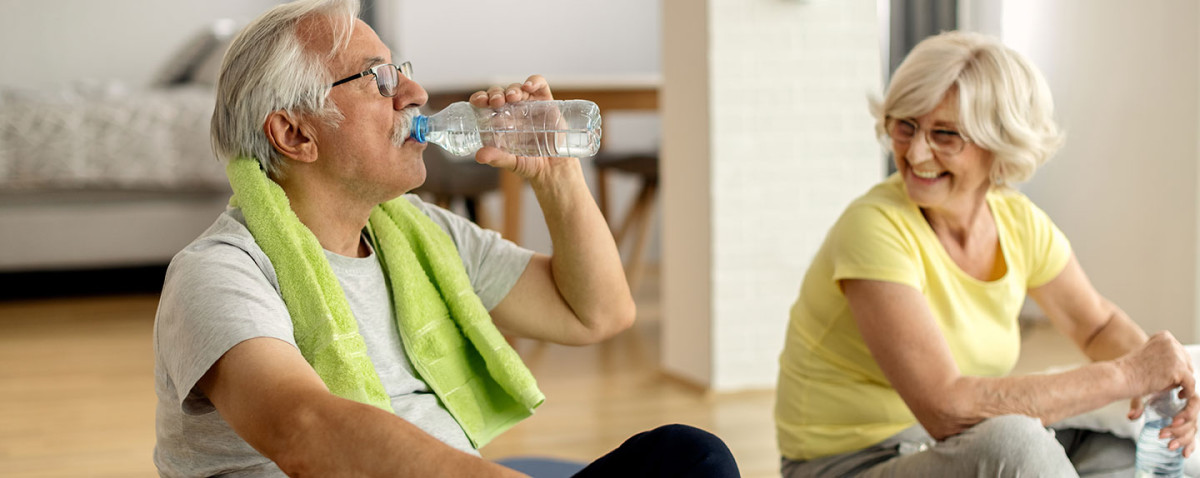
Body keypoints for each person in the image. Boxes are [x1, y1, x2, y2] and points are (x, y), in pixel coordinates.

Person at [152, 0, 740, 476]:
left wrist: (556, 171)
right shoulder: (220, 273)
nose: (415, 93)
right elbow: (303, 430)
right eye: (380, 79)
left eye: (402, 70)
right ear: (294, 133)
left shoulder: (419, 236)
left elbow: (597, 314)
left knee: (690, 454)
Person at [775, 30, 1199, 477]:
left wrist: (1168, 385)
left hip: (957, 447)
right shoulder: (873, 228)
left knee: (1114, 443)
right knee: (1015, 442)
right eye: (906, 126)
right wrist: (1128, 374)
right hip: (856, 463)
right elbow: (944, 408)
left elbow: (1094, 324)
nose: (916, 152)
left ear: (998, 143)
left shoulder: (1017, 221)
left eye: (945, 134)